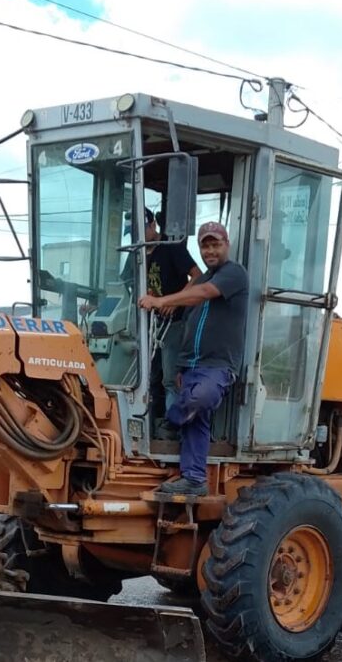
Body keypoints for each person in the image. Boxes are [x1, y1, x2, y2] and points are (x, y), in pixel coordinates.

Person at [138, 221, 248, 496]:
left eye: (215, 244)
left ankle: (172, 420)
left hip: (218, 365)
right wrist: (180, 364)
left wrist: (163, 301)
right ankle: (195, 478)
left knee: (200, 399)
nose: (210, 251)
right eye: (205, 245)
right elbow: (189, 323)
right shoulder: (201, 279)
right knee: (198, 421)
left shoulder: (233, 273)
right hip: (191, 364)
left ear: (227, 245)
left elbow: (202, 294)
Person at [124, 209, 201, 421]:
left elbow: (197, 276)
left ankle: (172, 425)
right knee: (147, 376)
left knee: (169, 378)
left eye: (139, 231)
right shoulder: (136, 253)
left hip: (172, 323)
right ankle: (149, 422)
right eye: (131, 233)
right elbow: (124, 284)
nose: (135, 237)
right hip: (146, 324)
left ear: (152, 226)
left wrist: (176, 301)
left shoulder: (171, 248)